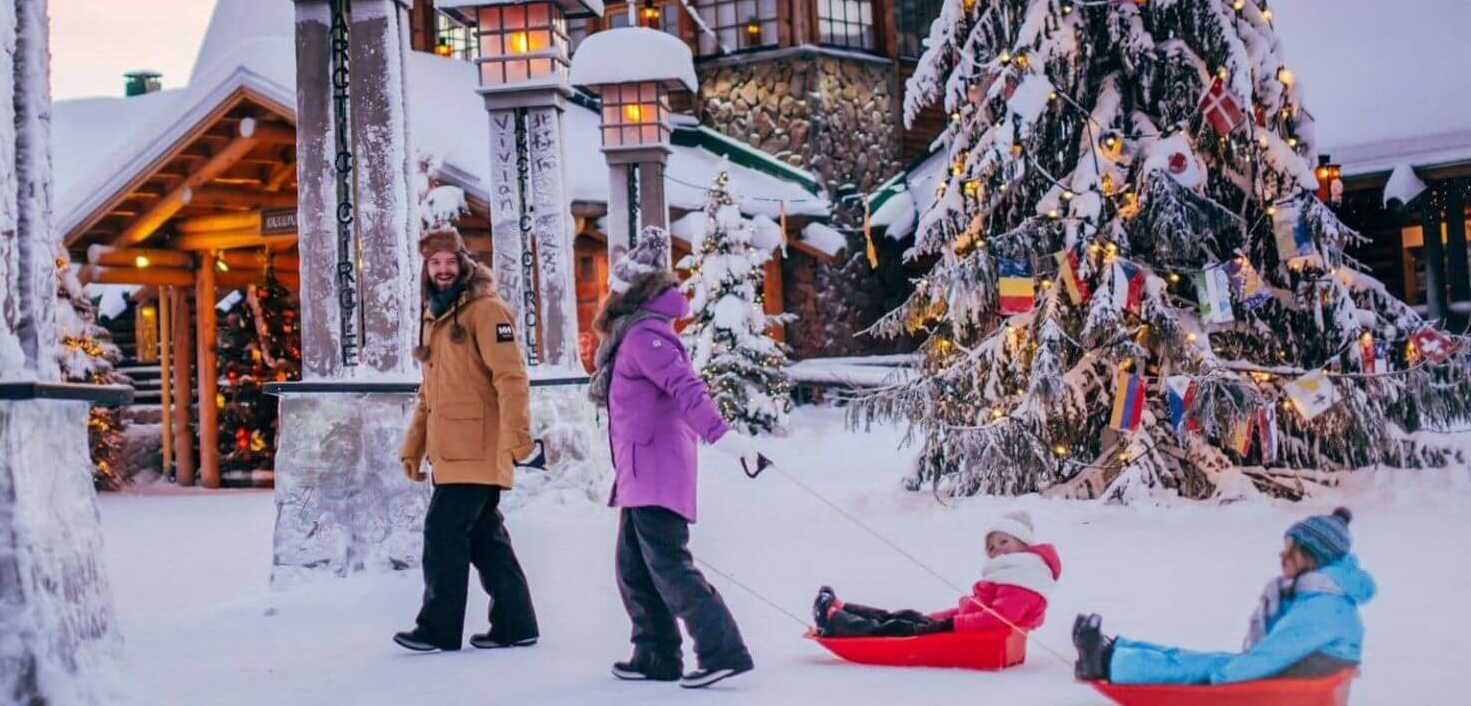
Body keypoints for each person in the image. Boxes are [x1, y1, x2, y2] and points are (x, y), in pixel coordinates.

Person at [587, 226, 765, 689]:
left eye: (616, 287)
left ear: (631, 291)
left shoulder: (646, 336)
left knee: (668, 565)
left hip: (655, 470)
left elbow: (688, 390)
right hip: (637, 470)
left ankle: (723, 650)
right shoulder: (634, 334)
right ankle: (655, 654)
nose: (609, 294)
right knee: (633, 567)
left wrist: (726, 437)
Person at [395, 227, 542, 653]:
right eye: (434, 262)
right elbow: (430, 392)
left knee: (442, 531)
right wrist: (413, 444)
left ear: (463, 263)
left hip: (479, 444)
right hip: (450, 448)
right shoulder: (435, 315)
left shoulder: (486, 310)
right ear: (427, 268)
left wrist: (518, 436)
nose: (443, 269)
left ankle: (438, 627)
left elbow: (512, 378)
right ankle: (516, 624)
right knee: (483, 538)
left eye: (449, 261)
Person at [1073, 507, 1375, 685]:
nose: (1282, 555)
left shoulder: (1323, 608)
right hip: (1286, 681)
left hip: (1282, 689)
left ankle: (1109, 663)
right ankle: (1114, 652)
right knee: (1197, 659)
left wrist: (1216, 683)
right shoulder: (1321, 598)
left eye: (1290, 549)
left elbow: (1267, 655)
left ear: (1310, 556)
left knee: (1201, 667)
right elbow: (1272, 649)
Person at [811, 511, 1061, 638]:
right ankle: (841, 608)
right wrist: (936, 618)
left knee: (897, 628)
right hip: (968, 631)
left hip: (975, 640)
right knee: (906, 616)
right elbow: (976, 610)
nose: (997, 550)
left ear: (1024, 545)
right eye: (992, 547)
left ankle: (834, 623)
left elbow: (998, 620)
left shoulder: (1022, 580)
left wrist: (950, 624)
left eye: (1003, 541)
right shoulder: (1011, 576)